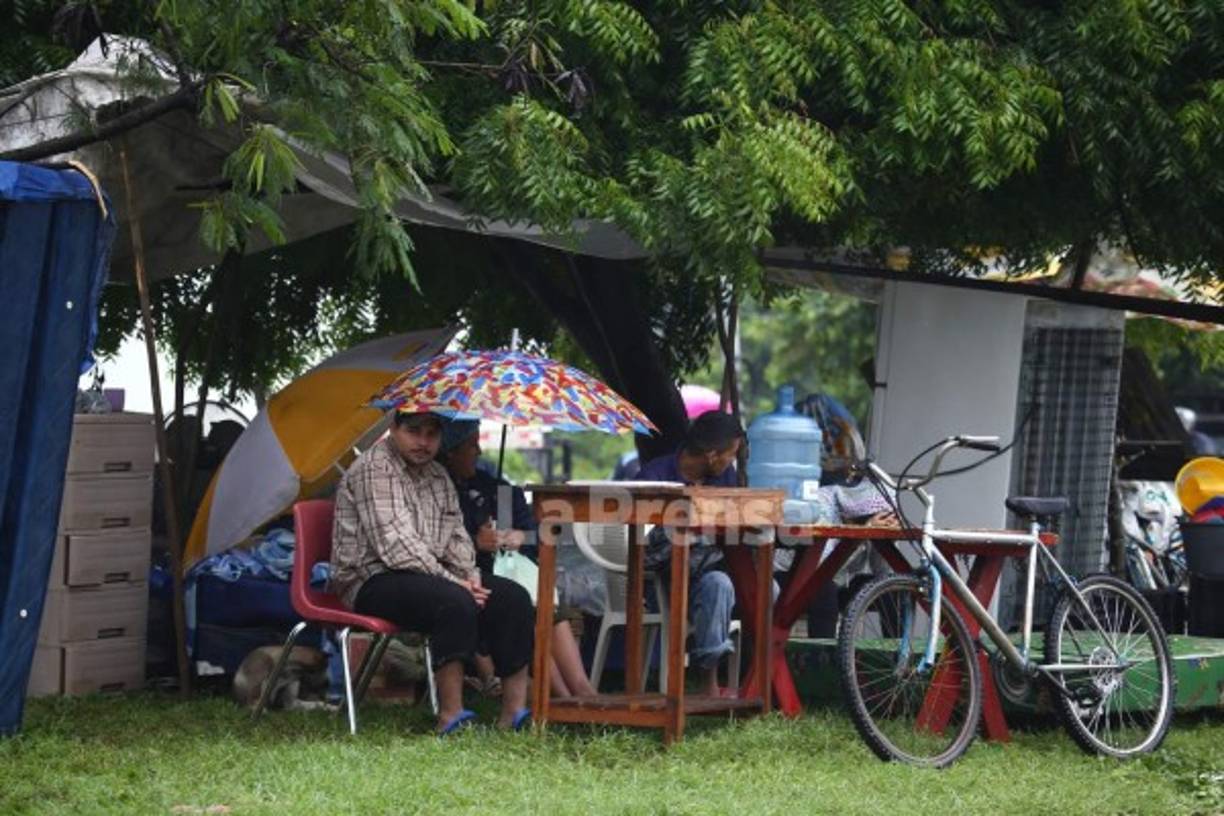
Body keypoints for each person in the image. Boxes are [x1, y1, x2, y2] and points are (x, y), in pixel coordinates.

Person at [330, 411, 534, 734]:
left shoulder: (438, 475)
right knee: (453, 600)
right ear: (393, 428)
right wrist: (455, 583)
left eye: (431, 434)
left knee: (513, 598)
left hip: (427, 575)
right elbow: (397, 547)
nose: (423, 443)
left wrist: (470, 575)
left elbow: (456, 536)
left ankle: (514, 712)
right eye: (414, 432)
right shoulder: (374, 468)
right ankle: (450, 715)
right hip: (370, 578)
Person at [438, 419, 597, 699]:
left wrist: (522, 537)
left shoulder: (498, 490)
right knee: (531, 610)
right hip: (470, 579)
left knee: (548, 609)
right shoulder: (438, 490)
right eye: (470, 445)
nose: (478, 451)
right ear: (450, 451)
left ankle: (580, 692)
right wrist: (476, 542)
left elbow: (542, 536)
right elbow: (437, 543)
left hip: (516, 575)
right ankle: (567, 697)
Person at [634, 410, 743, 697]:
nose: (732, 461)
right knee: (718, 585)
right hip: (663, 581)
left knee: (770, 588)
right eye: (730, 454)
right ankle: (708, 682)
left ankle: (762, 676)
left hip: (712, 567)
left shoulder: (725, 476)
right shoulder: (654, 476)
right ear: (711, 454)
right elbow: (643, 542)